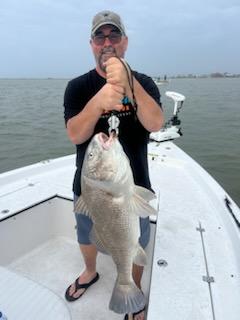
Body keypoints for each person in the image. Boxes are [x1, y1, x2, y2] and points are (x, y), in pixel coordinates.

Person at [63, 10, 164, 320]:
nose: (107, 42)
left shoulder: (144, 82)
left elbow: (156, 123)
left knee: (136, 239)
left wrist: (129, 83)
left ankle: (130, 285)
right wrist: (98, 102)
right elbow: (75, 134)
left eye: (114, 36)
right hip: (90, 190)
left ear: (125, 43)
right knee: (85, 234)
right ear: (92, 44)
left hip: (133, 187)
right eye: (100, 36)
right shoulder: (78, 87)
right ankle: (90, 271)